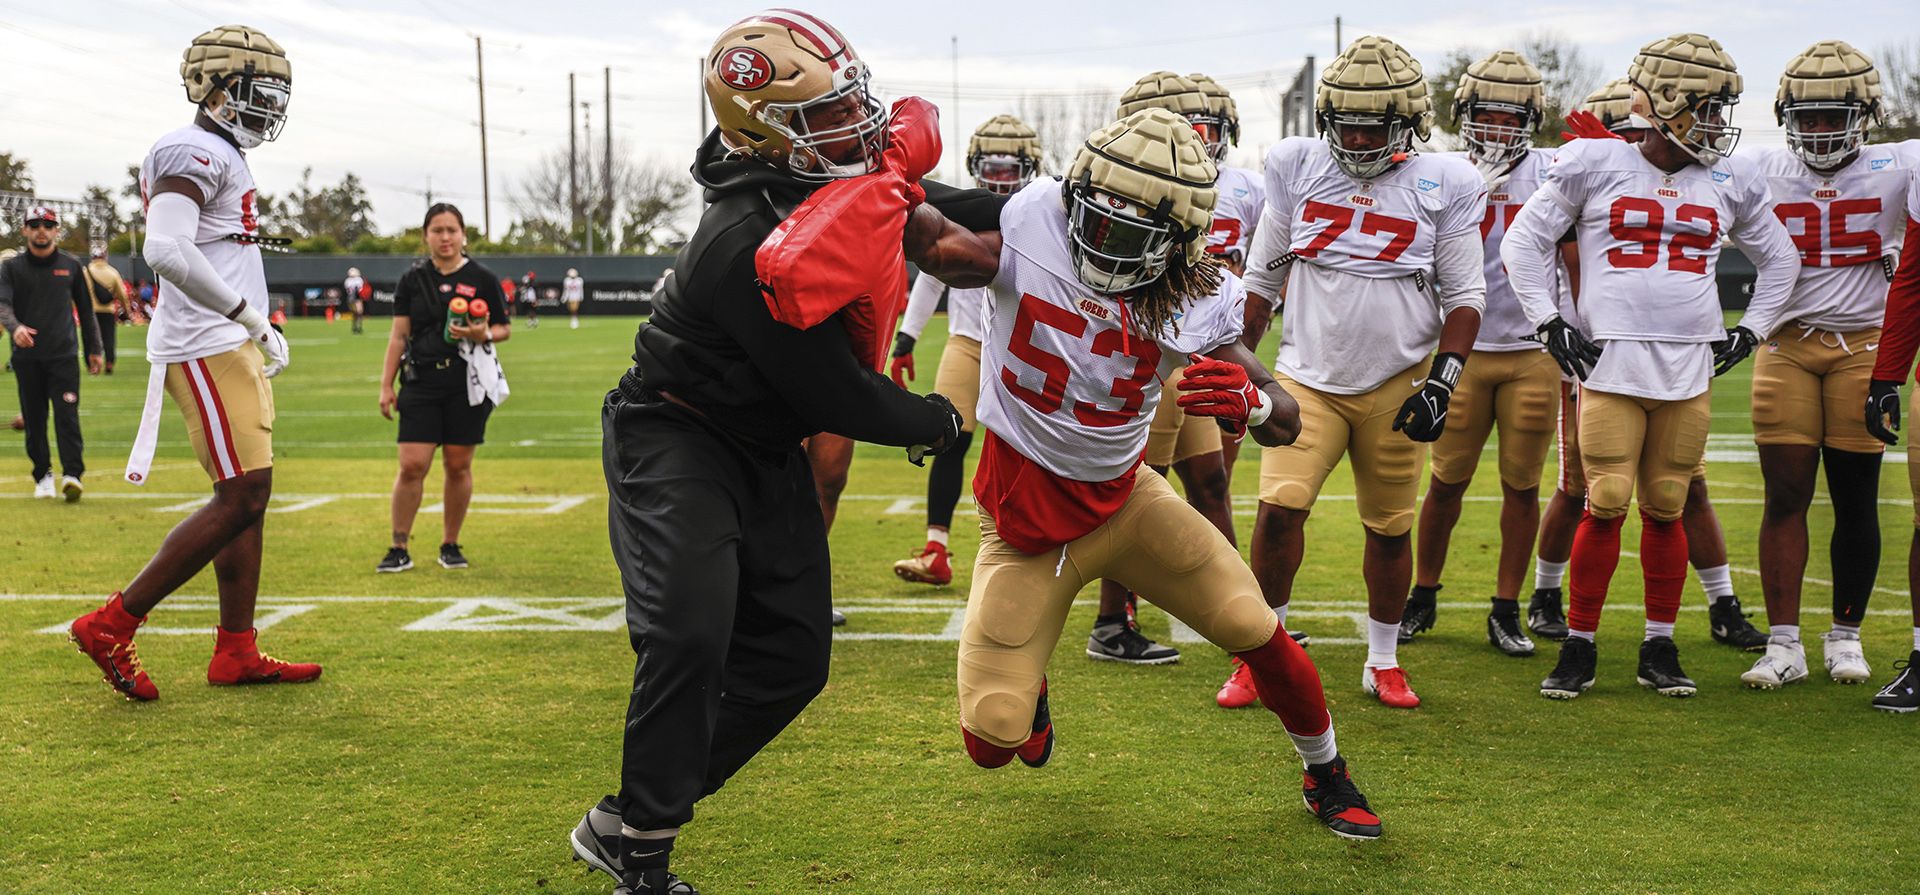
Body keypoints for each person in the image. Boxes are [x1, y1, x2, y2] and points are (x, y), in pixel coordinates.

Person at [566, 12, 977, 894]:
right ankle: (644, 851)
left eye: (851, 103)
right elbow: (833, 393)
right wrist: (939, 422)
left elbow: (940, 207)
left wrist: (1045, 211)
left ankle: (632, 812)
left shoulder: (824, 180)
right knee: (690, 631)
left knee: (794, 661)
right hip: (677, 434)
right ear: (761, 127)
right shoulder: (739, 237)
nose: (855, 125)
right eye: (827, 114)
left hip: (764, 443)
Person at [920, 107, 1383, 840]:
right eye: (1097, 220)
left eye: (1132, 233)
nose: (1103, 244)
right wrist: (875, 169)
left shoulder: (1196, 295)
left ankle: (1326, 772)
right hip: (1024, 523)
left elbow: (1289, 417)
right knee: (993, 740)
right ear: (1076, 191)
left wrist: (1256, 402)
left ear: (1182, 240)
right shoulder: (1033, 216)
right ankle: (1030, 686)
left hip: (1128, 502)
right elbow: (924, 227)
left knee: (1257, 629)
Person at [1503, 32, 1798, 700]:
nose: (1719, 124)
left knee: (1666, 502)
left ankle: (1658, 646)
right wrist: (1548, 321)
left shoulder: (1727, 177)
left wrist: (1751, 330)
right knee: (1604, 499)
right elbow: (1524, 240)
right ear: (1665, 104)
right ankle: (1579, 645)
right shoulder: (1596, 163)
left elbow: (1781, 258)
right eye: (1708, 108)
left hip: (1688, 363)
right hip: (1611, 362)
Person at [67, 25, 316, 702]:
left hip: (223, 342)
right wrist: (249, 316)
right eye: (260, 92)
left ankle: (236, 649)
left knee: (247, 495)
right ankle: (111, 623)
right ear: (219, 90)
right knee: (243, 495)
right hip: (208, 342)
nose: (270, 106)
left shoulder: (219, 150)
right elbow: (167, 251)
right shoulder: (191, 147)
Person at [1241, 36, 1488, 710]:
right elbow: (1262, 279)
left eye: (1369, 125)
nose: (1353, 137)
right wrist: (1241, 365)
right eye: (1343, 122)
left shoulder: (1447, 181)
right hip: (1305, 379)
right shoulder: (1296, 165)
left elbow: (1465, 298)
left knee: (1389, 526)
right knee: (1279, 513)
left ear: (1406, 121)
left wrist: (1443, 382)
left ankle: (1383, 658)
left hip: (1399, 381)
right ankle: (1263, 651)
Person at [1736, 41, 1918, 690]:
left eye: (1831, 115)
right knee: (1785, 494)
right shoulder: (1758, 167)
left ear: (1863, 114)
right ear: (1786, 115)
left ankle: (1846, 634)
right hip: (1785, 345)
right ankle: (1783, 643)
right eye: (1806, 116)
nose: (1817, 129)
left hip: (1864, 347)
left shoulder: (1899, 165)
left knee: (1856, 497)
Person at [1399, 50, 1560, 659]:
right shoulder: (1439, 171)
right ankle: (1422, 594)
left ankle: (1505, 607)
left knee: (1522, 486)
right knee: (1445, 482)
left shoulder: (1553, 169)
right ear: (1465, 114)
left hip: (1530, 350)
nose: (1497, 128)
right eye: (1486, 115)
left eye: (1509, 116)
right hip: (1459, 351)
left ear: (1530, 118)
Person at [889, 114, 1042, 589]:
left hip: (1023, 349)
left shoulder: (1038, 215)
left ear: (1029, 166)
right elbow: (930, 275)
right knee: (949, 440)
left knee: (1028, 450)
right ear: (976, 166)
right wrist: (906, 339)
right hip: (968, 343)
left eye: (1008, 166)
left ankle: (1030, 549)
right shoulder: (961, 210)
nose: (999, 177)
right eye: (990, 167)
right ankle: (937, 548)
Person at [376, 203, 510, 574]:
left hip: (466, 382)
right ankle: (399, 545)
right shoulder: (412, 279)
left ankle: (450, 543)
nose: (445, 237)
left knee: (458, 464)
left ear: (463, 234)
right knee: (412, 464)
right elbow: (399, 335)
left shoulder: (483, 278)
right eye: (438, 230)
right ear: (426, 236)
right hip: (420, 380)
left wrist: (482, 332)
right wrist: (386, 385)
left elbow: (503, 328)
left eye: (452, 230)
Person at [1, 206, 104, 501]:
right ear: (24, 230)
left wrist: (95, 350)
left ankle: (72, 474)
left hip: (64, 356)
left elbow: (86, 311)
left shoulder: (71, 266)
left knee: (67, 417)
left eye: (47, 224)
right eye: (34, 224)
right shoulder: (12, 268)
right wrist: (15, 327)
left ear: (57, 229)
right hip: (26, 358)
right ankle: (42, 474)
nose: (41, 230)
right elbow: (3, 304)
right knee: (34, 420)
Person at [83, 249, 126, 373]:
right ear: (104, 257)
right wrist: (126, 308)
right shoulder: (112, 272)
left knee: (89, 339)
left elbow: (77, 291)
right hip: (107, 310)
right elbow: (122, 293)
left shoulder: (86, 272)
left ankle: (91, 365)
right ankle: (109, 363)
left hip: (90, 310)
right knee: (109, 338)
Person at [344, 265, 366, 334]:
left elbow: (360, 289)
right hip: (352, 298)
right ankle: (355, 327)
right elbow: (349, 291)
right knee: (355, 313)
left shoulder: (359, 280)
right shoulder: (348, 281)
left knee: (359, 312)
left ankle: (358, 327)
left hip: (357, 298)